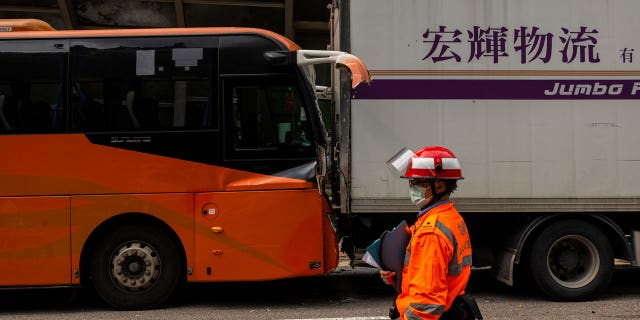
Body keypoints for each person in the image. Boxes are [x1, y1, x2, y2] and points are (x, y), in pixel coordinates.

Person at [379, 146, 474, 320]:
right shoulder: (451, 218)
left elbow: (426, 306)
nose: (412, 188)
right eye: (411, 182)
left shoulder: (431, 233)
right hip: (453, 307)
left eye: (417, 183)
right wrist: (397, 276)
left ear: (439, 186)